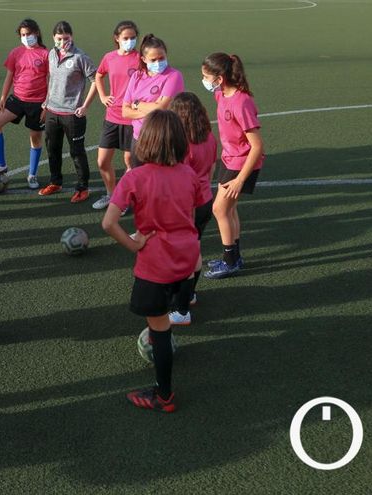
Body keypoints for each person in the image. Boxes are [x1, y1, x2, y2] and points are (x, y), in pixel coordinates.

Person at [102, 110, 205, 413]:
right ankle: (177, 314)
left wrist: (134, 244)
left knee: (159, 330)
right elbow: (196, 213)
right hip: (187, 261)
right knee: (168, 315)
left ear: (144, 141)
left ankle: (164, 396)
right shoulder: (189, 174)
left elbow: (108, 223)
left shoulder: (135, 177)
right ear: (180, 141)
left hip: (156, 266)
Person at [201, 52, 265, 279]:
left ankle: (230, 262)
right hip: (229, 160)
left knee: (219, 209)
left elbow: (257, 146)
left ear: (220, 78)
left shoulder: (242, 102)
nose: (204, 81)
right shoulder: (220, 95)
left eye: (206, 77)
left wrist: (240, 180)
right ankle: (235, 257)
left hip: (241, 163)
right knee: (229, 209)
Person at [167, 92, 217, 325]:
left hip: (188, 206)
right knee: (194, 249)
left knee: (182, 256)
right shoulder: (209, 137)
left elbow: (181, 181)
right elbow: (212, 169)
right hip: (205, 201)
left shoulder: (184, 145)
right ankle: (190, 294)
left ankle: (181, 309)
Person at [0, 18, 49, 189]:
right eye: (23, 35)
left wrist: (46, 105)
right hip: (17, 99)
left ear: (37, 33)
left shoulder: (46, 54)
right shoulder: (16, 53)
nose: (26, 37)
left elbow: (51, 81)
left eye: (29, 34)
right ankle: (1, 164)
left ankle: (32, 175)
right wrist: (2, 98)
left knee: (35, 138)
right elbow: (9, 76)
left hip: (37, 103)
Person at [37, 21, 98, 203]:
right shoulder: (51, 54)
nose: (63, 42)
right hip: (52, 111)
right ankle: (55, 182)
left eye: (66, 38)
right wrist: (46, 104)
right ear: (53, 38)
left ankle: (82, 188)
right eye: (59, 38)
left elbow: (96, 80)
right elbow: (51, 80)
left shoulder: (80, 57)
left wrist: (85, 106)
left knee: (76, 152)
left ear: (71, 37)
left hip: (73, 115)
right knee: (52, 149)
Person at [92, 20, 140, 209]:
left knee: (130, 162)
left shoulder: (140, 59)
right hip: (112, 117)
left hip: (131, 119)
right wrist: (103, 96)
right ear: (117, 38)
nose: (130, 41)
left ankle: (123, 200)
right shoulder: (109, 57)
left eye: (133, 38)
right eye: (126, 38)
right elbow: (98, 75)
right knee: (102, 161)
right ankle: (111, 195)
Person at [121, 34, 184, 168]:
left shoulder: (173, 76)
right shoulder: (137, 76)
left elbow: (161, 108)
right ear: (144, 59)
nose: (158, 63)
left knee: (161, 178)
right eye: (153, 59)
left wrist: (136, 104)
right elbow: (125, 112)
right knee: (139, 177)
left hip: (162, 139)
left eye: (161, 58)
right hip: (138, 138)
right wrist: (152, 109)